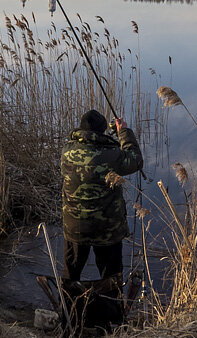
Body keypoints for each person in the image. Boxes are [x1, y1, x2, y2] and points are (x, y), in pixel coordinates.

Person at [60, 109, 143, 285]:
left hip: (75, 226)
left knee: (70, 274)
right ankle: (111, 307)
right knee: (111, 277)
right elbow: (135, 160)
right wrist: (123, 133)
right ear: (103, 130)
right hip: (107, 229)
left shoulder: (66, 151)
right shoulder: (111, 154)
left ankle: (67, 306)